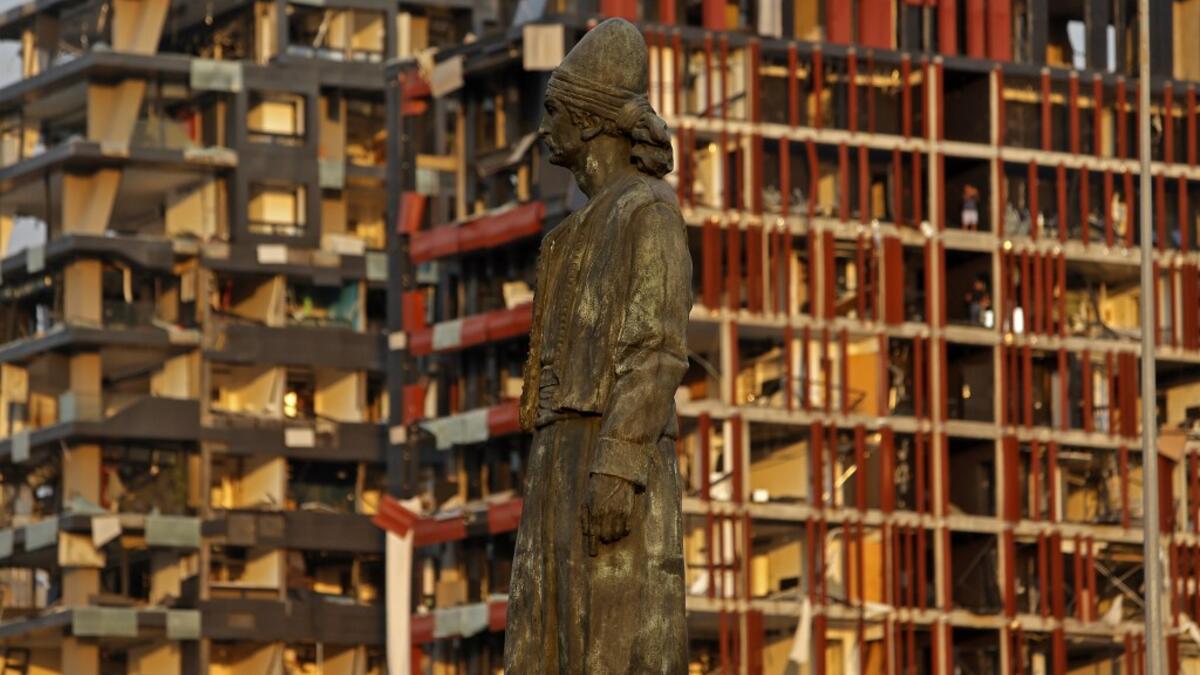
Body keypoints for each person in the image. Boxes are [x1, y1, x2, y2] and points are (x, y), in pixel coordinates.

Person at [505, 19, 690, 674]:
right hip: (557, 459)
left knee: (612, 643)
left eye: (554, 110)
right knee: (543, 645)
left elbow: (658, 349)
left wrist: (618, 465)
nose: (544, 126)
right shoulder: (563, 239)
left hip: (612, 461)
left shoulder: (648, 213)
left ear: (589, 124)